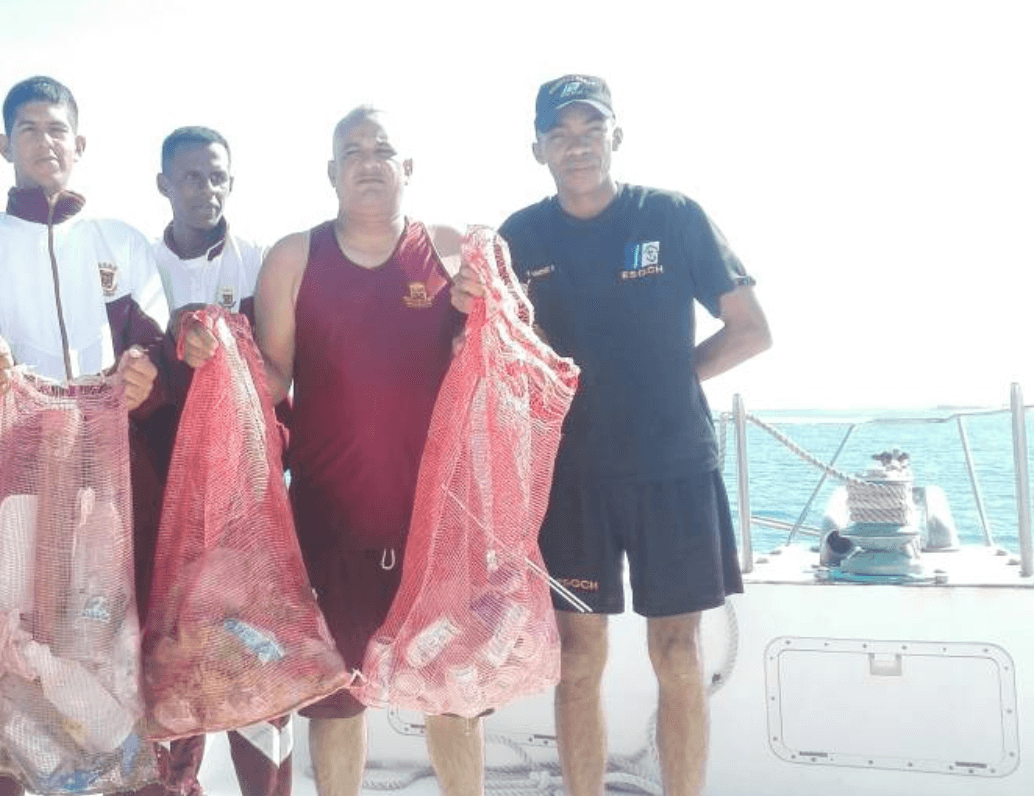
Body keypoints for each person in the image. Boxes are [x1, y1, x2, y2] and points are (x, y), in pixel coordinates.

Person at [492, 74, 771, 796]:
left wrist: (672, 382)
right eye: (560, 134)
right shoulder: (519, 237)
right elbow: (495, 356)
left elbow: (750, 332)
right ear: (537, 149)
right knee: (578, 661)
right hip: (572, 480)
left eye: (591, 131)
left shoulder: (675, 217)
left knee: (678, 655)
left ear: (617, 136)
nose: (577, 146)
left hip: (674, 471)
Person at [0, 76, 168, 796]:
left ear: (80, 144)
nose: (45, 142)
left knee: (109, 668)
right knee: (2, 672)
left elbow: (158, 363)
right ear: (5, 145)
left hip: (101, 505)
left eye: (58, 129)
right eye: (29, 130)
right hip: (4, 505)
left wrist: (149, 381)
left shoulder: (120, 245)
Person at [250, 106, 484, 796]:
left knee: (449, 695)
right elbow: (269, 378)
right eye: (352, 151)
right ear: (331, 172)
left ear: (407, 169)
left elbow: (495, 352)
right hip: (328, 523)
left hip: (435, 523)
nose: (369, 161)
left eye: (383, 149)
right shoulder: (293, 258)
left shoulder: (450, 250)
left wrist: (492, 303)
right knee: (337, 699)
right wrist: (211, 355)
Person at [152, 126, 289, 796]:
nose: (205, 190)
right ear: (164, 185)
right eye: (189, 177)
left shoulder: (264, 261)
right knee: (174, 658)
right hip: (162, 496)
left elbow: (287, 374)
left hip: (246, 500)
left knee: (253, 654)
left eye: (216, 177)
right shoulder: (138, 265)